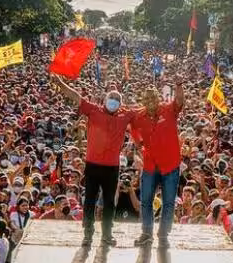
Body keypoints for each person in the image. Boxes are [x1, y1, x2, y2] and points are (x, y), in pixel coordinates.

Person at [49, 74, 134, 246]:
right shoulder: (93, 110)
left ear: (121, 103)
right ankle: (88, 233)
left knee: (109, 202)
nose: (114, 100)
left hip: (112, 167)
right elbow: (75, 96)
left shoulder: (125, 116)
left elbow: (145, 111)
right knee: (89, 200)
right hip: (93, 165)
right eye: (111, 97)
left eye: (117, 99)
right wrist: (60, 83)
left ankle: (107, 234)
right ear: (105, 99)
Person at [129, 80, 185, 247]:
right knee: (146, 200)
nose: (151, 103)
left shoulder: (168, 110)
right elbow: (132, 127)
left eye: (153, 99)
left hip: (170, 165)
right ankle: (146, 233)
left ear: (157, 98)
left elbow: (180, 102)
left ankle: (163, 234)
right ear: (144, 102)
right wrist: (138, 143)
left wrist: (179, 86)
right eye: (147, 101)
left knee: (168, 202)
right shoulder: (139, 116)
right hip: (150, 165)